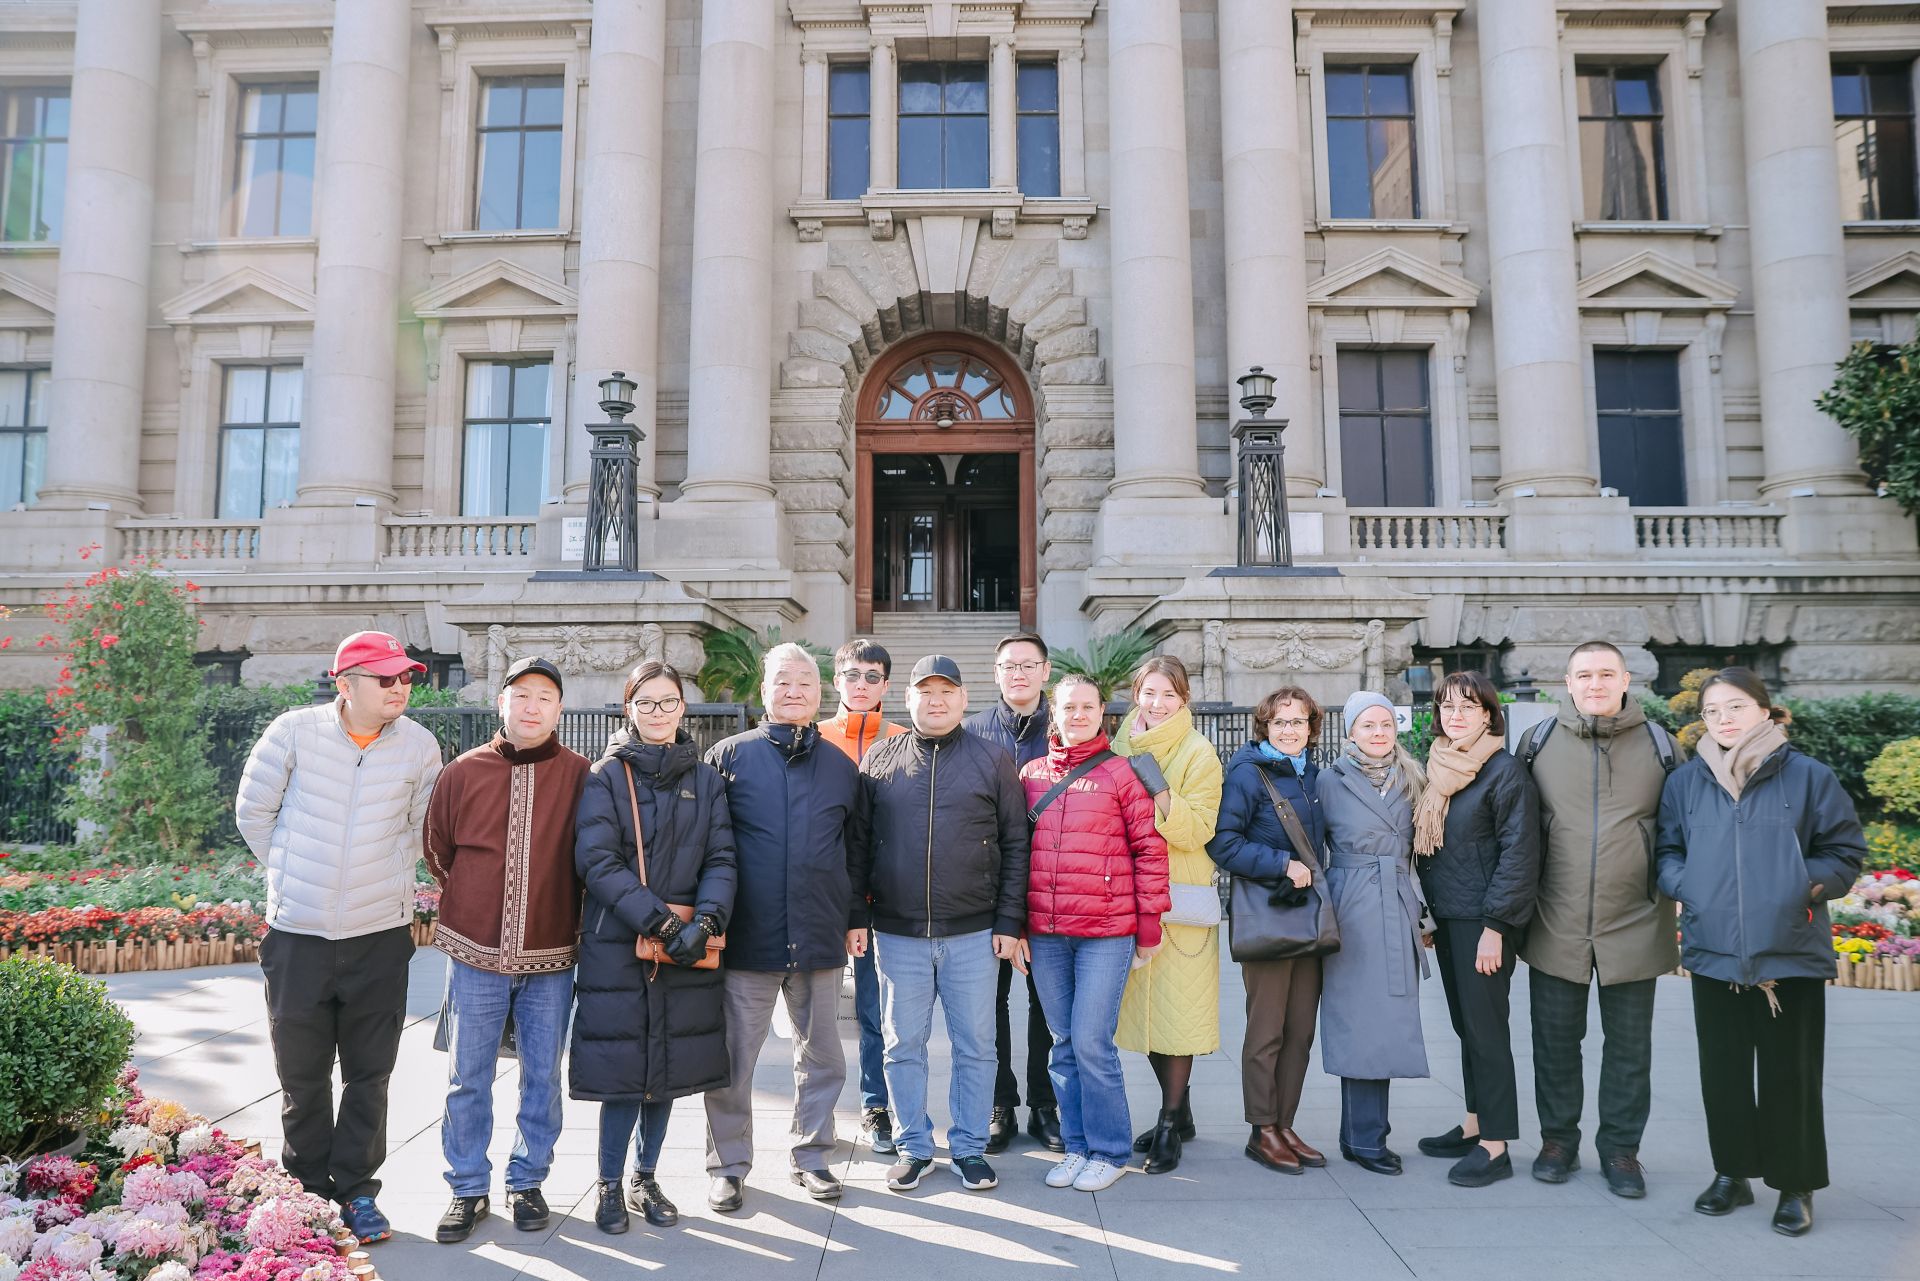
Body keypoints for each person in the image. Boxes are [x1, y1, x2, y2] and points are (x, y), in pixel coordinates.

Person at [235, 631, 443, 1244]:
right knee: (302, 1078)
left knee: (369, 1075)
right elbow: (254, 813)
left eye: (406, 678)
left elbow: (424, 830)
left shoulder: (419, 746)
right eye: (386, 678)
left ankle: (356, 1190)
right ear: (345, 684)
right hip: (297, 937)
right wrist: (296, 874)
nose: (400, 688)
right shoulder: (293, 732)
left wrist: (380, 880)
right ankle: (307, 1192)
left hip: (379, 937)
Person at [1657, 667, 1865, 1237]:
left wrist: (1800, 885)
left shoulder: (1808, 776)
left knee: (1789, 1074)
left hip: (1788, 949)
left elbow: (1844, 851)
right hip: (1714, 949)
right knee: (1721, 1072)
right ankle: (1732, 1172)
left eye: (1735, 707)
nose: (1723, 720)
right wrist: (1687, 885)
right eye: (1712, 711)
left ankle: (1795, 1185)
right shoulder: (1687, 782)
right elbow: (1668, 851)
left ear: (1765, 711)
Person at [425, 656, 590, 1243]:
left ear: (559, 709)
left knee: (542, 1075)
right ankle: (467, 1186)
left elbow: (593, 855)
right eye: (521, 695)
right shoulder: (463, 771)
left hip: (552, 951)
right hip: (474, 951)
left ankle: (527, 1180)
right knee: (467, 1076)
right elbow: (438, 849)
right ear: (502, 702)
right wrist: (477, 900)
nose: (532, 706)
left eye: (544, 697)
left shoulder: (580, 775)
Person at [853, 654, 1031, 1194]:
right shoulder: (880, 758)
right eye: (925, 691)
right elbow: (858, 844)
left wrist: (1009, 920)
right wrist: (857, 915)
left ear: (963, 698)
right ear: (906, 698)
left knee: (976, 1045)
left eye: (946, 691)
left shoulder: (992, 759)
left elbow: (1015, 844)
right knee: (901, 1045)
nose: (936, 701)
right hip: (897, 933)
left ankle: (970, 1147)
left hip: (973, 933)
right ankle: (913, 1146)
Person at [571, 662, 737, 1236]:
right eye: (646, 702)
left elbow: (722, 856)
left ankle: (646, 1177)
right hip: (620, 941)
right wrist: (663, 925)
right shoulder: (606, 776)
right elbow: (597, 861)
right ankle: (609, 1182)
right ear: (629, 709)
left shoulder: (707, 779)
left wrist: (707, 921)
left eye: (668, 702)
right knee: (623, 1069)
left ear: (682, 708)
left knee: (667, 1064)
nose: (658, 712)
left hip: (689, 942)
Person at [702, 644, 864, 1212]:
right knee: (732, 1058)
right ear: (764, 691)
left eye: (805, 682)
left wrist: (855, 920)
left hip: (820, 934)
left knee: (823, 1057)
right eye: (782, 681)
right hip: (748, 935)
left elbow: (855, 852)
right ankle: (727, 1164)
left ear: (821, 693)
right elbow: (707, 846)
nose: (794, 691)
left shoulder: (842, 767)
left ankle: (813, 1154)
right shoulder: (728, 756)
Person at [1519, 641, 1679, 1198]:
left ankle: (1620, 1150)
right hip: (1554, 918)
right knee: (1555, 1043)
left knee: (1630, 1049)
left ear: (1625, 680)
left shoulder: (1661, 744)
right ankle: (1557, 1142)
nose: (1595, 684)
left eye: (1606, 674)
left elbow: (1679, 829)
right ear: (1567, 683)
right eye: (1584, 675)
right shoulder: (1537, 742)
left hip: (1635, 918)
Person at [1019, 674, 1170, 1192]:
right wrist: (1015, 925)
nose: (1078, 715)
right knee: (1062, 1043)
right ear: (1054, 712)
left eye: (1087, 707)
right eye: (1069, 707)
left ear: (1102, 712)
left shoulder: (1122, 774)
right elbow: (1016, 854)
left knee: (1090, 1041)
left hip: (1106, 932)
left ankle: (1110, 1150)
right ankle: (1077, 1146)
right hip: (1046, 932)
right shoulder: (1031, 775)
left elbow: (1150, 850)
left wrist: (1148, 924)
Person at [1412, 671, 1541, 1189]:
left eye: (1467, 706)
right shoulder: (1442, 764)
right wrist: (1430, 917)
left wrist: (1497, 927)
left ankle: (1497, 1144)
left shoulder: (1504, 771)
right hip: (1450, 918)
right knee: (1467, 1027)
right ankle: (1474, 1123)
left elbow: (1519, 853)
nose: (1455, 715)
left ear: (1488, 714)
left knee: (1487, 1032)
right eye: (1447, 706)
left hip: (1483, 924)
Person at [1208, 685, 1330, 1177]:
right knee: (1267, 1030)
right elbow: (1223, 844)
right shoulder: (1247, 773)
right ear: (1265, 727)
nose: (1289, 730)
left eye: (1298, 721)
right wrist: (1282, 863)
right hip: (1268, 915)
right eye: (1279, 722)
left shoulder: (1312, 773)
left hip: (1307, 917)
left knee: (1300, 1030)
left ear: (1311, 727)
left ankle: (1284, 1124)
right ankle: (1262, 1130)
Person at [1112, 656, 1224, 1175]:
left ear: (1184, 699)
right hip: (1131, 898)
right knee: (1151, 1016)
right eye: (1149, 693)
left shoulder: (1199, 752)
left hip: (1179, 900)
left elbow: (1198, 829)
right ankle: (1181, 1112)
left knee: (1180, 1015)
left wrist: (1160, 790)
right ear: (1136, 694)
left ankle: (1169, 1120)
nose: (1158, 704)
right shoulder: (1120, 744)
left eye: (1169, 695)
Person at [1316, 691, 1430, 1177]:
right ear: (1351, 732)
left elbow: (1425, 850)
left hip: (1397, 902)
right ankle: (1364, 1136)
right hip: (1350, 907)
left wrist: (1425, 914)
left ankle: (1364, 1134)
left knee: (1385, 1020)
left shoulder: (1414, 776)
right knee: (1357, 1019)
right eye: (1368, 725)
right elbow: (1310, 844)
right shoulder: (1329, 779)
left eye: (1386, 724)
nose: (1379, 733)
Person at [963, 632, 1062, 1153]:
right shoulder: (972, 730)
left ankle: (1045, 1104)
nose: (1018, 673)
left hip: (1053, 883)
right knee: (991, 1002)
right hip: (988, 885)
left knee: (1047, 1001)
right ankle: (1000, 1101)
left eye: (1028, 664)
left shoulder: (1066, 726)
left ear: (1046, 671)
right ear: (996, 673)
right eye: (1009, 665)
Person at [818, 638, 908, 1157]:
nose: (861, 684)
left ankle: (876, 1104)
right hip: (819, 892)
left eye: (872, 676)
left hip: (875, 898)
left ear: (886, 685)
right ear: (837, 681)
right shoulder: (815, 736)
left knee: (876, 1010)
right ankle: (816, 1111)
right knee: (813, 1014)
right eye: (852, 675)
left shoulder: (900, 739)